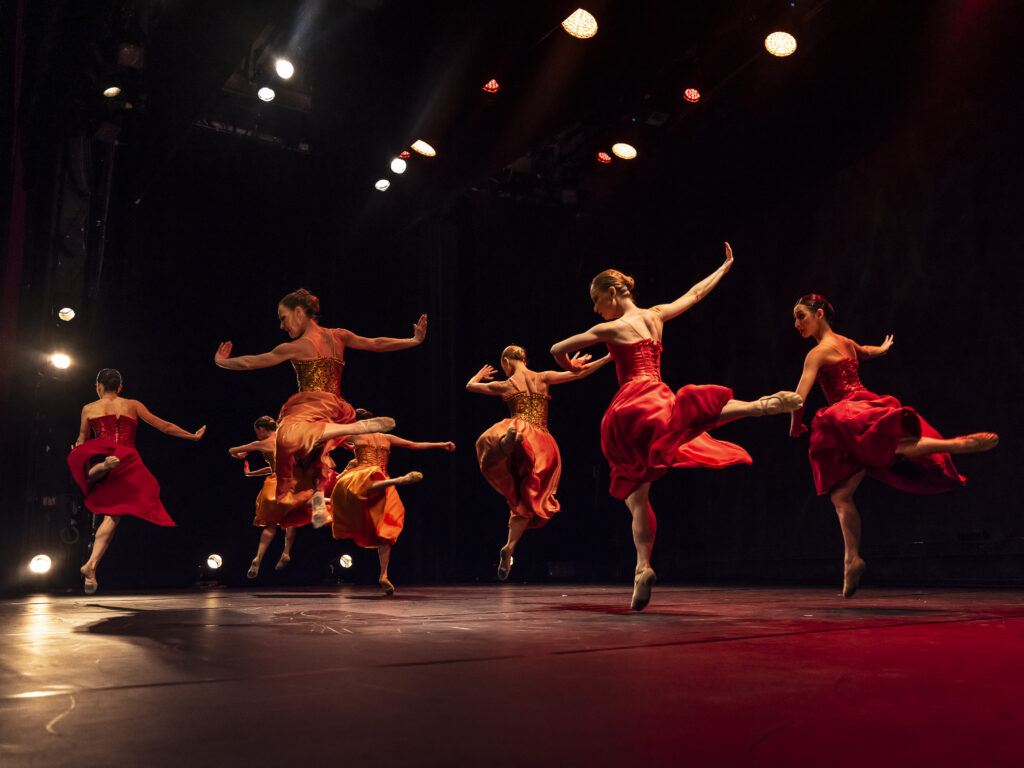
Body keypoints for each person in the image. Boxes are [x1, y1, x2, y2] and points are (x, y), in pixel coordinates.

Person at [550, 243, 802, 610]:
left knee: (637, 495)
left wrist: (569, 365)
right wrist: (724, 267)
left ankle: (642, 567)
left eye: (596, 299)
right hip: (658, 394)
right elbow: (695, 294)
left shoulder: (611, 327)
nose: (595, 307)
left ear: (613, 292)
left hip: (628, 408)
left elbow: (558, 347)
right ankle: (755, 406)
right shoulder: (655, 316)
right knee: (690, 418)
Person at [789, 293, 998, 597]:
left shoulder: (816, 354)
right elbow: (866, 352)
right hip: (865, 405)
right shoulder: (846, 342)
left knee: (888, 452)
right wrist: (883, 349)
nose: (796, 324)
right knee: (844, 493)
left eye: (800, 316)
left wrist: (795, 425)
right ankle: (851, 559)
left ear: (819, 314)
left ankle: (951, 444)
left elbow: (798, 396)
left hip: (844, 415)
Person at [215, 288, 425, 527]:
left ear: (298, 312)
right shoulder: (339, 335)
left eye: (283, 318)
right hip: (338, 407)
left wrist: (222, 363)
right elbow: (376, 343)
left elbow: (252, 361)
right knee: (313, 455)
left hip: (311, 406)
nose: (282, 326)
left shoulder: (295, 346)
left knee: (287, 437)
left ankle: (356, 429)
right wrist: (413, 340)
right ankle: (317, 496)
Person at [466, 344, 611, 580]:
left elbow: (470, 386)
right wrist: (606, 358)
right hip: (543, 443)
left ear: (506, 362)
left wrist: (479, 376)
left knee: (492, 450)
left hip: (519, 428)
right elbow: (580, 373)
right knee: (527, 499)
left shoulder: (507, 384)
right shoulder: (543, 377)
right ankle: (510, 547)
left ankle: (508, 442)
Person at [67, 368, 205, 594]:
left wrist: (77, 453)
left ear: (98, 386)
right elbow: (164, 426)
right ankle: (91, 565)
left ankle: (101, 467)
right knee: (113, 515)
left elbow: (82, 440)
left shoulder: (89, 408)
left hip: (104, 452)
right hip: (127, 459)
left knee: (101, 494)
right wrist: (192, 435)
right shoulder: (133, 404)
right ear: (120, 387)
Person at [330, 410, 455, 595]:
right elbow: (414, 445)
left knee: (386, 530)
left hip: (376, 479)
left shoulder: (355, 436)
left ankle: (384, 575)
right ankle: (397, 481)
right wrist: (441, 444)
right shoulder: (383, 437)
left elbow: (328, 440)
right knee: (367, 484)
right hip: (372, 477)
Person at [229, 415, 321, 579]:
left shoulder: (262, 443)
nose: (257, 434)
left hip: (275, 486)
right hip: (293, 482)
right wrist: (251, 474)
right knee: (292, 518)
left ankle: (258, 557)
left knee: (271, 525)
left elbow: (231, 450)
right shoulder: (286, 441)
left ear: (262, 429)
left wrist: (239, 454)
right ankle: (286, 552)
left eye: (257, 431)